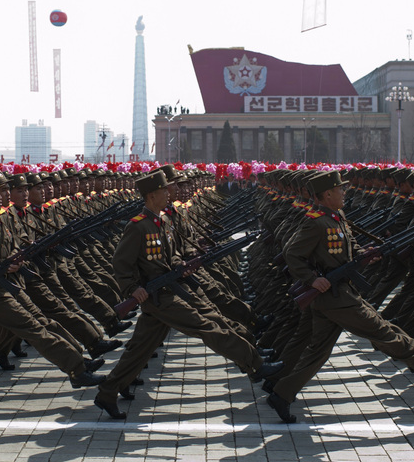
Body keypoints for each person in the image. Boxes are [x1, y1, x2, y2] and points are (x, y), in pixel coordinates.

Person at [266, 171, 414, 424]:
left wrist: (364, 254)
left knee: (318, 352)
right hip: (336, 297)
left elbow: (346, 249)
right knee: (383, 331)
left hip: (337, 295)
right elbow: (292, 253)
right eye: (339, 189)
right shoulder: (316, 221)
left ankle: (282, 393)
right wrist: (311, 279)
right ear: (327, 194)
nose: (344, 193)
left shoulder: (337, 217)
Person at [93, 171, 281, 420]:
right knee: (206, 327)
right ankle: (254, 364)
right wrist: (131, 289)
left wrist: (182, 262)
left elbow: (172, 254)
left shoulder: (164, 221)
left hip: (170, 289)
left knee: (140, 349)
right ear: (151, 195)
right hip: (158, 296)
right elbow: (121, 263)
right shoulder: (138, 226)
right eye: (163, 191)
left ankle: (107, 393)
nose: (168, 194)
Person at [0, 173, 105, 421]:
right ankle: (76, 369)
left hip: (8, 285)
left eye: (2, 192)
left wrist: (14, 260)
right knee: (33, 328)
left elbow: (9, 247)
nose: (2, 196)